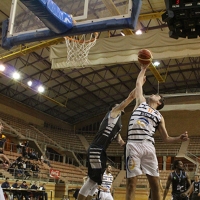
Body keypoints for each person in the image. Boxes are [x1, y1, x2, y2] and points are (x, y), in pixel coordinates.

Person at [125, 64, 189, 200]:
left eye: (155, 95)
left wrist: (179, 138)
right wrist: (143, 68)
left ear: (159, 102)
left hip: (148, 146)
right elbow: (138, 84)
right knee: (131, 184)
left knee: (155, 184)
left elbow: (166, 138)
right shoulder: (141, 103)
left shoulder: (159, 116)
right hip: (133, 145)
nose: (152, 94)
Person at [77, 77, 145, 200]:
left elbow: (120, 142)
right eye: (119, 105)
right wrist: (138, 85)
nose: (120, 106)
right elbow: (130, 97)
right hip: (96, 148)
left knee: (97, 180)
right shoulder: (113, 113)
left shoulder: (118, 126)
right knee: (92, 180)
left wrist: (129, 146)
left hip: (101, 151)